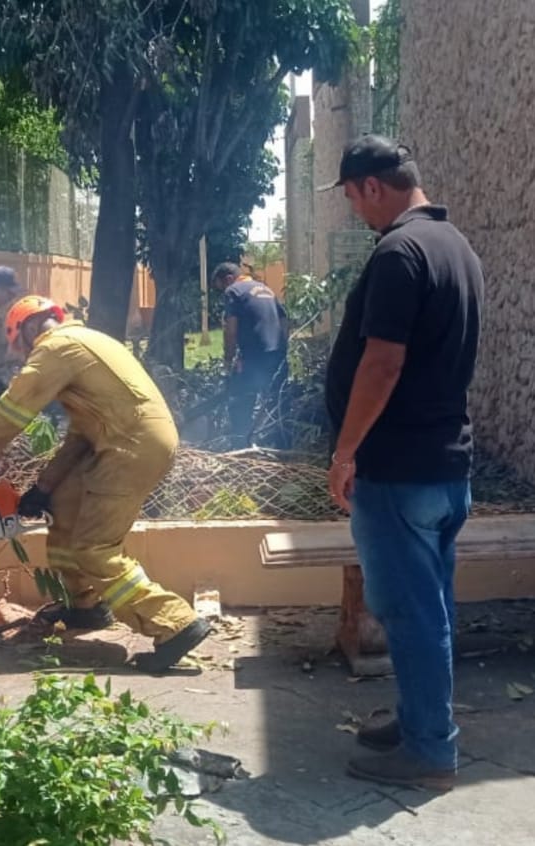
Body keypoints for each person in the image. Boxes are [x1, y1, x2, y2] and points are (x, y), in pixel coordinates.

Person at [323, 134, 482, 791]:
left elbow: (382, 362)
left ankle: (430, 753)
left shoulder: (399, 252)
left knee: (411, 616)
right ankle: (423, 721)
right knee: (429, 610)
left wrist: (346, 450)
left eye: (354, 200)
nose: (357, 214)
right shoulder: (456, 248)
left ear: (370, 186)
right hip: (444, 469)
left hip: (398, 470)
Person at [0, 295, 211, 672]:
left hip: (130, 446)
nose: (20, 357)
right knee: (65, 508)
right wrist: (45, 488)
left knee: (94, 549)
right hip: (124, 438)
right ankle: (85, 605)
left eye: (19, 347)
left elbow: (12, 409)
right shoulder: (83, 343)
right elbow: (81, 435)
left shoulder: (58, 347)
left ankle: (174, 623)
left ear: (28, 329)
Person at [210, 262, 289, 448]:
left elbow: (231, 329)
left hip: (254, 357)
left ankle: (240, 447)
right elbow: (284, 320)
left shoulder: (234, 291)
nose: (223, 291)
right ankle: (283, 448)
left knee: (240, 400)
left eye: (221, 287)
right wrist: (283, 348)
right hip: (277, 355)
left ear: (228, 279)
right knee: (278, 403)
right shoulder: (265, 289)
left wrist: (229, 359)